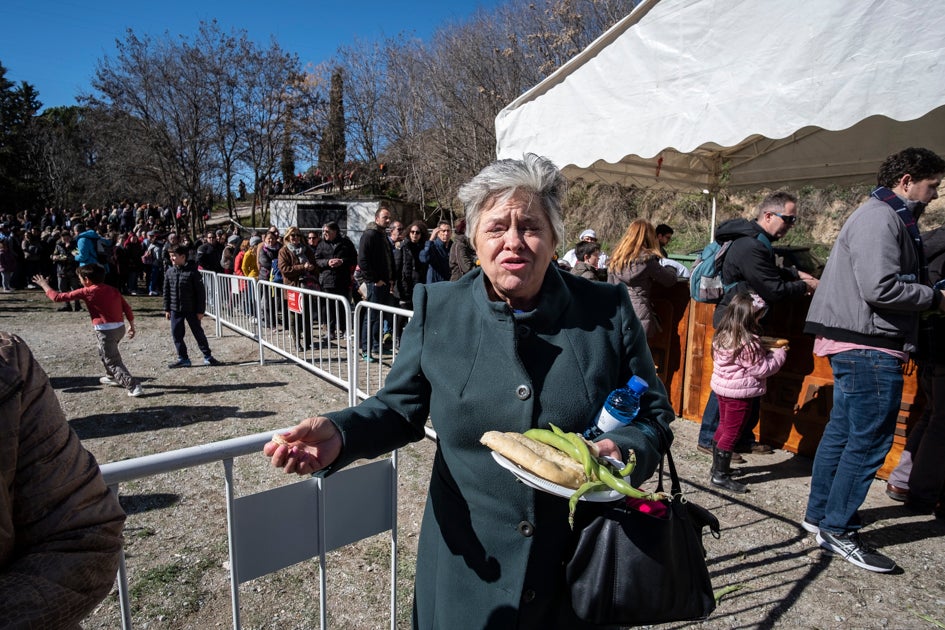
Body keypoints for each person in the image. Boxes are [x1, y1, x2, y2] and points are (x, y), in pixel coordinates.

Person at [263, 153, 674, 629]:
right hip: (467, 571)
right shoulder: (439, 307)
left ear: (556, 236)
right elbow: (400, 408)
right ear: (474, 238)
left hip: (576, 572)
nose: (514, 242)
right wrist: (342, 434)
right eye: (497, 227)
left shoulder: (607, 309)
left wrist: (620, 450)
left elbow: (653, 416)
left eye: (531, 227)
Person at [802, 147, 945, 573]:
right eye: (931, 186)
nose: (934, 195)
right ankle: (838, 529)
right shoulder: (879, 217)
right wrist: (935, 297)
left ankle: (821, 517)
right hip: (868, 344)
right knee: (867, 442)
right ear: (906, 180)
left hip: (861, 341)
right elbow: (880, 288)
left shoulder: (880, 215)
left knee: (845, 433)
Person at [0, 331, 126, 627]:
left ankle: (128, 381)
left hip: (109, 328)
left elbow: (84, 533)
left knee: (109, 354)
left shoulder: (8, 360)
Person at [696, 192, 818, 458]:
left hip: (745, 320)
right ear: (768, 215)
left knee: (746, 381)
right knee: (730, 383)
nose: (790, 225)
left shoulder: (756, 243)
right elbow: (773, 289)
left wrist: (795, 274)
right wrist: (803, 285)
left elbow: (767, 273)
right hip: (735, 321)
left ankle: (738, 438)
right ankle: (710, 438)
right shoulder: (751, 245)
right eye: (788, 218)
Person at [885, 225, 945, 517]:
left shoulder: (928, 243)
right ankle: (922, 494)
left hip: (926, 342)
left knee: (933, 415)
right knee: (940, 423)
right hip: (942, 343)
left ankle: (902, 482)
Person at [709, 291, 788, 493]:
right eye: (759, 315)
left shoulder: (723, 334)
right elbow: (761, 369)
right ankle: (720, 476)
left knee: (724, 426)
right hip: (740, 394)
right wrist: (779, 354)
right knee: (733, 432)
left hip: (723, 389)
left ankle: (717, 468)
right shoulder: (748, 343)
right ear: (750, 318)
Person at [33, 264, 143, 397]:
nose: (79, 281)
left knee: (112, 360)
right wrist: (131, 324)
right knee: (103, 352)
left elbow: (57, 297)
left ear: (86, 279)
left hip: (105, 331)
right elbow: (127, 308)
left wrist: (44, 285)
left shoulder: (86, 291)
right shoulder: (113, 289)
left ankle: (133, 386)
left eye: (79, 278)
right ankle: (111, 376)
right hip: (120, 328)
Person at [607, 218, 677, 338]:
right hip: (639, 312)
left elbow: (610, 288)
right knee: (637, 352)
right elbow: (669, 280)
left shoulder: (615, 259)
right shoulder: (647, 260)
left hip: (618, 312)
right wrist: (671, 268)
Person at [163, 243, 222, 368]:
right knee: (176, 334)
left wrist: (200, 311)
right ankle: (183, 358)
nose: (172, 258)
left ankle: (208, 356)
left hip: (191, 309)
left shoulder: (193, 272)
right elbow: (166, 291)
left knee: (198, 333)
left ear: (183, 257)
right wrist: (167, 309)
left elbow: (201, 293)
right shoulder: (169, 272)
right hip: (175, 309)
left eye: (174, 256)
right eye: (170, 256)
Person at [357, 206, 395, 362]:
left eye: (389, 218)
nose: (388, 220)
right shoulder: (370, 235)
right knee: (371, 316)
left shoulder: (382, 235)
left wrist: (390, 278)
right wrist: (374, 280)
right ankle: (366, 349)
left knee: (379, 316)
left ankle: (375, 345)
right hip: (375, 284)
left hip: (385, 282)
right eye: (385, 217)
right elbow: (363, 260)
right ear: (377, 218)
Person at [278, 226, 318, 351]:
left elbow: (316, 266)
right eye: (293, 235)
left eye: (298, 235)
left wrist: (311, 268)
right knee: (294, 317)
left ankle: (308, 341)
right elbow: (285, 270)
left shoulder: (307, 250)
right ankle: (296, 342)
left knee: (307, 315)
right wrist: (302, 267)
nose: (295, 238)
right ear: (288, 237)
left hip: (307, 286)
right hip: (293, 287)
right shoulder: (284, 251)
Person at [315, 221, 357, 338]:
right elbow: (317, 260)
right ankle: (330, 330)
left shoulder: (346, 243)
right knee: (329, 307)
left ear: (335, 231)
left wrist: (342, 261)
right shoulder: (321, 244)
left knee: (343, 305)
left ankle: (344, 329)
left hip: (342, 279)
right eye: (323, 231)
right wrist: (327, 262)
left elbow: (354, 258)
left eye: (327, 231)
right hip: (327, 279)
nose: (325, 233)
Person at [51, 230, 81, 311]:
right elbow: (54, 256)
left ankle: (77, 305)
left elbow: (75, 255)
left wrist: (63, 257)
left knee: (75, 288)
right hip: (61, 270)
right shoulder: (58, 245)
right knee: (62, 288)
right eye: (64, 238)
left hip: (72, 269)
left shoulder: (75, 245)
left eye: (67, 238)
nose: (65, 240)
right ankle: (67, 305)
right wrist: (55, 257)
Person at [401, 221, 429, 309]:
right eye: (412, 232)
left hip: (419, 283)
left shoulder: (423, 247)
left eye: (417, 232)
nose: (414, 234)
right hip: (405, 283)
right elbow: (398, 265)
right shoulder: (404, 246)